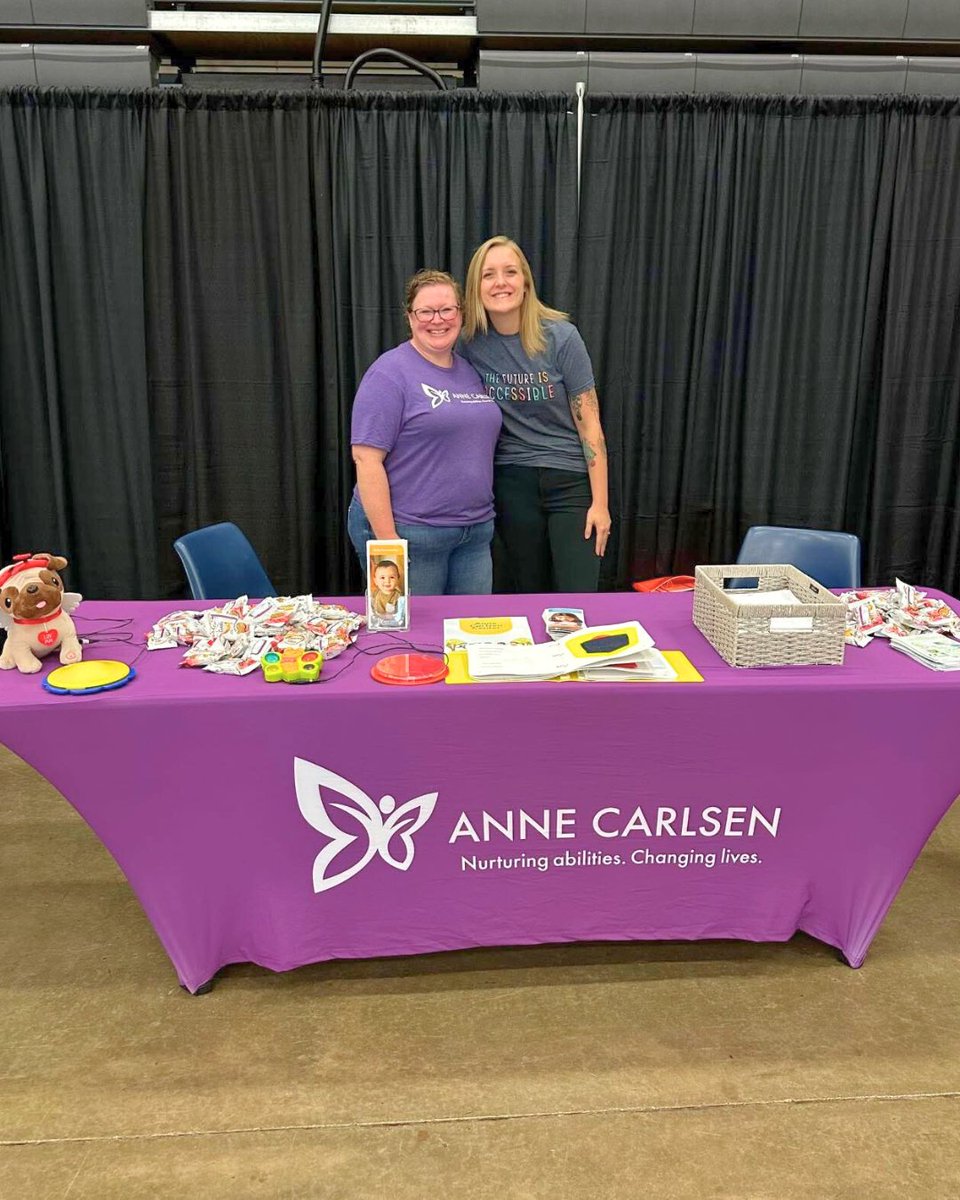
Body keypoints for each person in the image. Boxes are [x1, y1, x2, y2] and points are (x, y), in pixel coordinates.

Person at [461, 235, 611, 593]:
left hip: (570, 479)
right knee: (528, 594)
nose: (500, 282)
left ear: (526, 282)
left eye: (510, 272)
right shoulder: (468, 344)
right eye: (488, 275)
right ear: (475, 288)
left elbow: (590, 425)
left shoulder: (561, 337)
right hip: (512, 481)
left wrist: (601, 505)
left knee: (578, 597)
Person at [348, 269, 502, 595]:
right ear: (410, 317)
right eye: (426, 311)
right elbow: (366, 459)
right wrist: (389, 545)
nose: (437, 320)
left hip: (474, 534)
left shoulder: (469, 371)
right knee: (414, 629)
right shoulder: (388, 374)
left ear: (460, 314)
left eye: (447, 309)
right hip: (411, 534)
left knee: (470, 626)